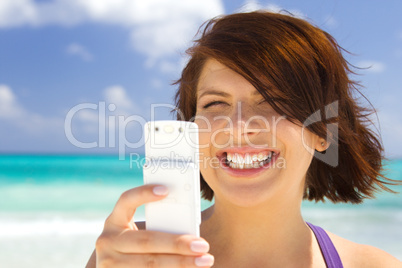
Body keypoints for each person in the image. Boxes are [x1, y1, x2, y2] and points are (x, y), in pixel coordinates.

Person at [87, 10, 402, 267]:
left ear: (323, 131)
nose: (238, 126)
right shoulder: (127, 256)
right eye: (215, 104)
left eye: (274, 102)